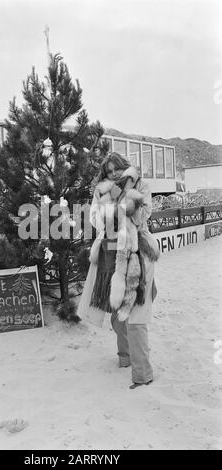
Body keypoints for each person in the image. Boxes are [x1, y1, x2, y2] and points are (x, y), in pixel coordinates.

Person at [77, 152, 159, 389]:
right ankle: (125, 357)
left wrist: (124, 204)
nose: (113, 173)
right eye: (109, 170)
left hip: (138, 252)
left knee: (137, 312)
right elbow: (95, 219)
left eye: (117, 169)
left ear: (125, 167)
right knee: (116, 309)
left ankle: (142, 372)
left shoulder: (141, 185)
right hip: (109, 252)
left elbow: (144, 214)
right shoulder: (101, 190)